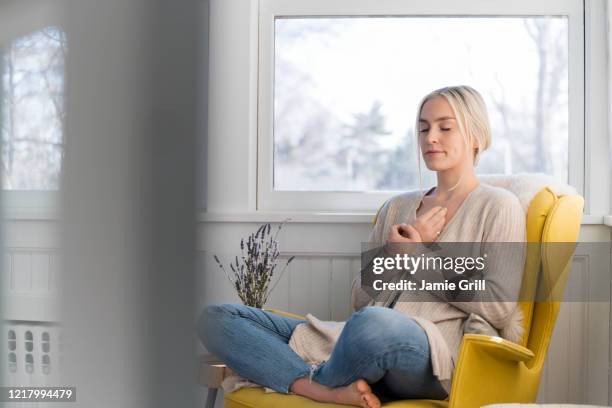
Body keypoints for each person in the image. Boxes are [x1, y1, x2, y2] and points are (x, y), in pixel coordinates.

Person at [197, 85, 526, 408]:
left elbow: (499, 305)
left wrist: (418, 258)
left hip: (431, 353)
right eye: (423, 128)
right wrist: (392, 256)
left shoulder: (498, 206)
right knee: (216, 317)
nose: (430, 138)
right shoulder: (397, 208)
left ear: (477, 136)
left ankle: (301, 376)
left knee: (373, 324)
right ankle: (322, 390)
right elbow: (360, 298)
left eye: (445, 127)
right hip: (355, 338)